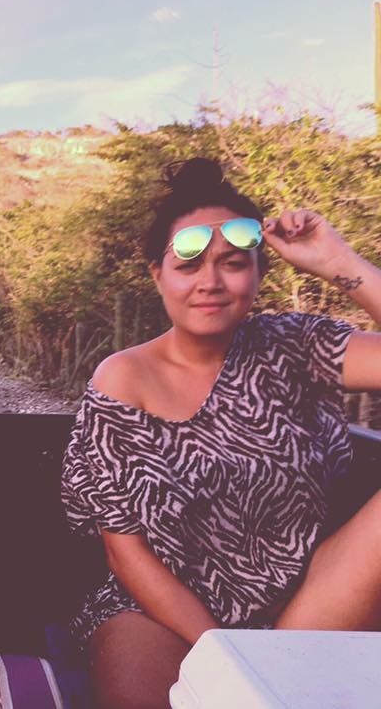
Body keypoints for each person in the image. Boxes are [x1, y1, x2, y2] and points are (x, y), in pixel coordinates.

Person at [59, 158, 381, 709]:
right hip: (161, 611)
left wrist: (337, 262)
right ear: (158, 275)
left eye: (233, 264)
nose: (210, 282)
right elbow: (126, 553)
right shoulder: (123, 380)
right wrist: (226, 653)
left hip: (301, 603)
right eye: (188, 266)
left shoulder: (292, 345)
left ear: (258, 274)